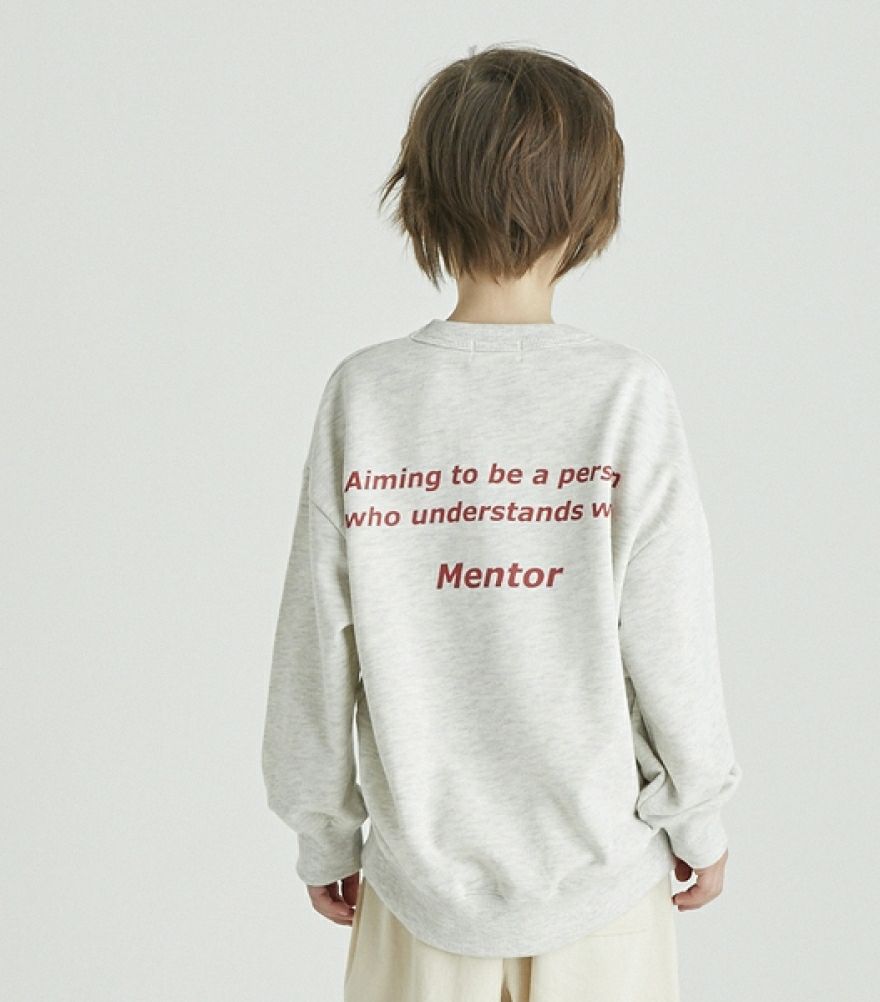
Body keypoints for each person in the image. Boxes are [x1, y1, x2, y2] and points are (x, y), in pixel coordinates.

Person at [260, 42, 742, 1002]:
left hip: (418, 893)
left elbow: (315, 645)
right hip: (602, 888)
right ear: (591, 207)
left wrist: (324, 833)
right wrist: (699, 817)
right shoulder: (625, 395)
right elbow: (668, 639)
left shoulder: (368, 396)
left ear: (422, 200)